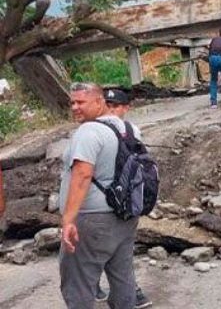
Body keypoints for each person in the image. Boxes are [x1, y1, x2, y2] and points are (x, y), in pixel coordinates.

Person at [59, 83, 139, 308]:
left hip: (92, 219)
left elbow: (83, 174)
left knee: (78, 283)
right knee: (123, 277)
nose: (75, 107)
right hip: (125, 214)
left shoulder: (89, 131)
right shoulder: (128, 129)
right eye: (72, 102)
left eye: (81, 102)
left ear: (99, 101)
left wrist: (68, 220)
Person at [92, 89, 152, 308]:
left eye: (114, 106)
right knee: (119, 251)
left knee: (101, 248)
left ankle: (102, 288)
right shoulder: (131, 129)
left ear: (124, 108)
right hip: (124, 201)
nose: (110, 110)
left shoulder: (90, 129)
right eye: (108, 105)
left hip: (100, 202)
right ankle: (130, 293)